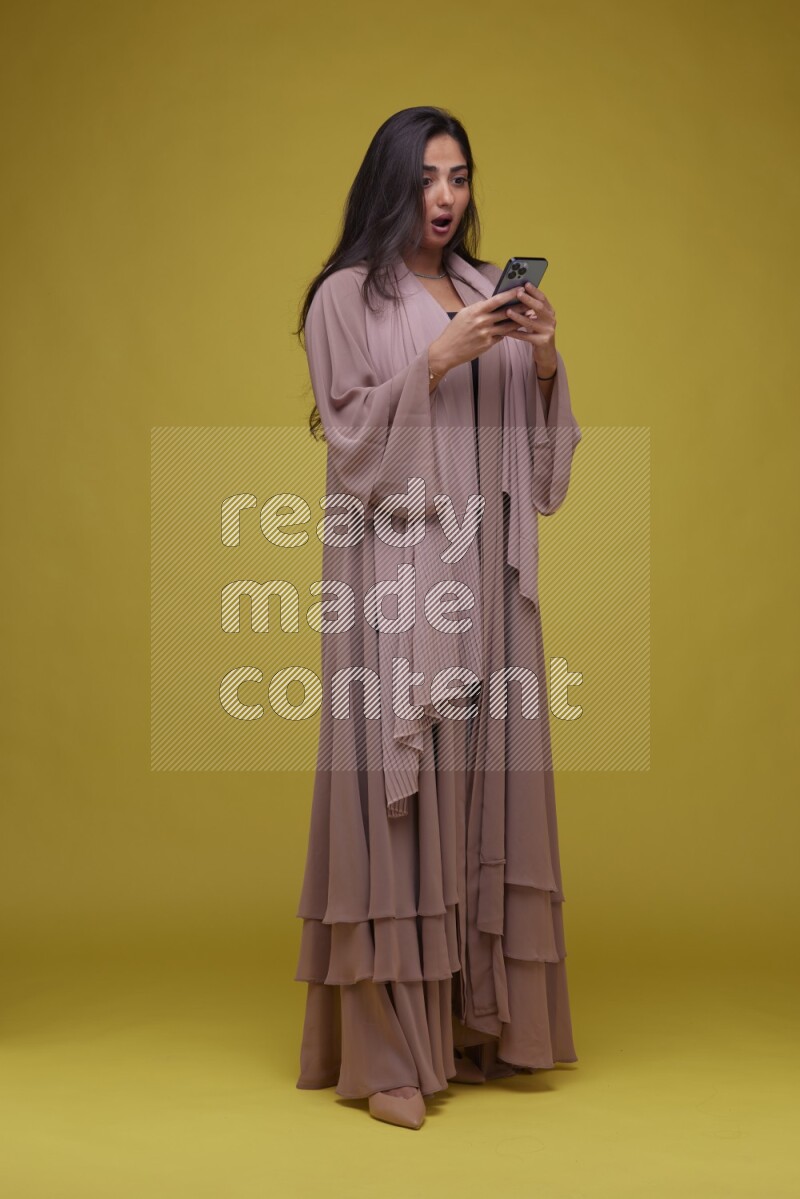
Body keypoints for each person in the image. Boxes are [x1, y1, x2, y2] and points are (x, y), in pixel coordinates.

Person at [292, 106, 582, 1130]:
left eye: (458, 175)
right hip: (395, 572)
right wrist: (435, 360)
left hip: (485, 578)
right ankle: (385, 1056)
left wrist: (539, 358)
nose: (446, 197)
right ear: (390, 185)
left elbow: (537, 468)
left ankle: (474, 1019)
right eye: (425, 178)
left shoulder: (476, 285)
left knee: (480, 784)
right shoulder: (344, 297)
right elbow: (349, 439)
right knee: (396, 797)